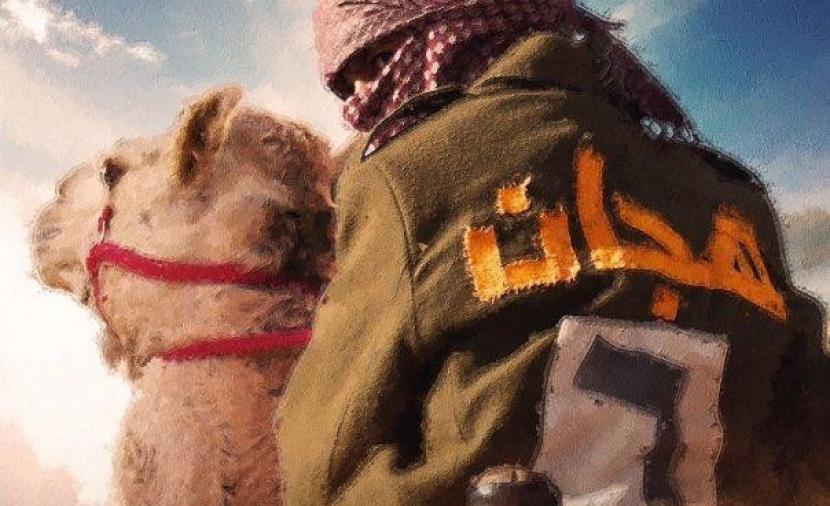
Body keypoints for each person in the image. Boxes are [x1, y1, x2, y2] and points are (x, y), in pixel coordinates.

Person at [278, 1, 829, 504]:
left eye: (376, 62)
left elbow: (325, 467)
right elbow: (811, 435)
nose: (361, 103)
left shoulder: (405, 177)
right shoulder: (734, 197)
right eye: (346, 88)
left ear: (459, 33)